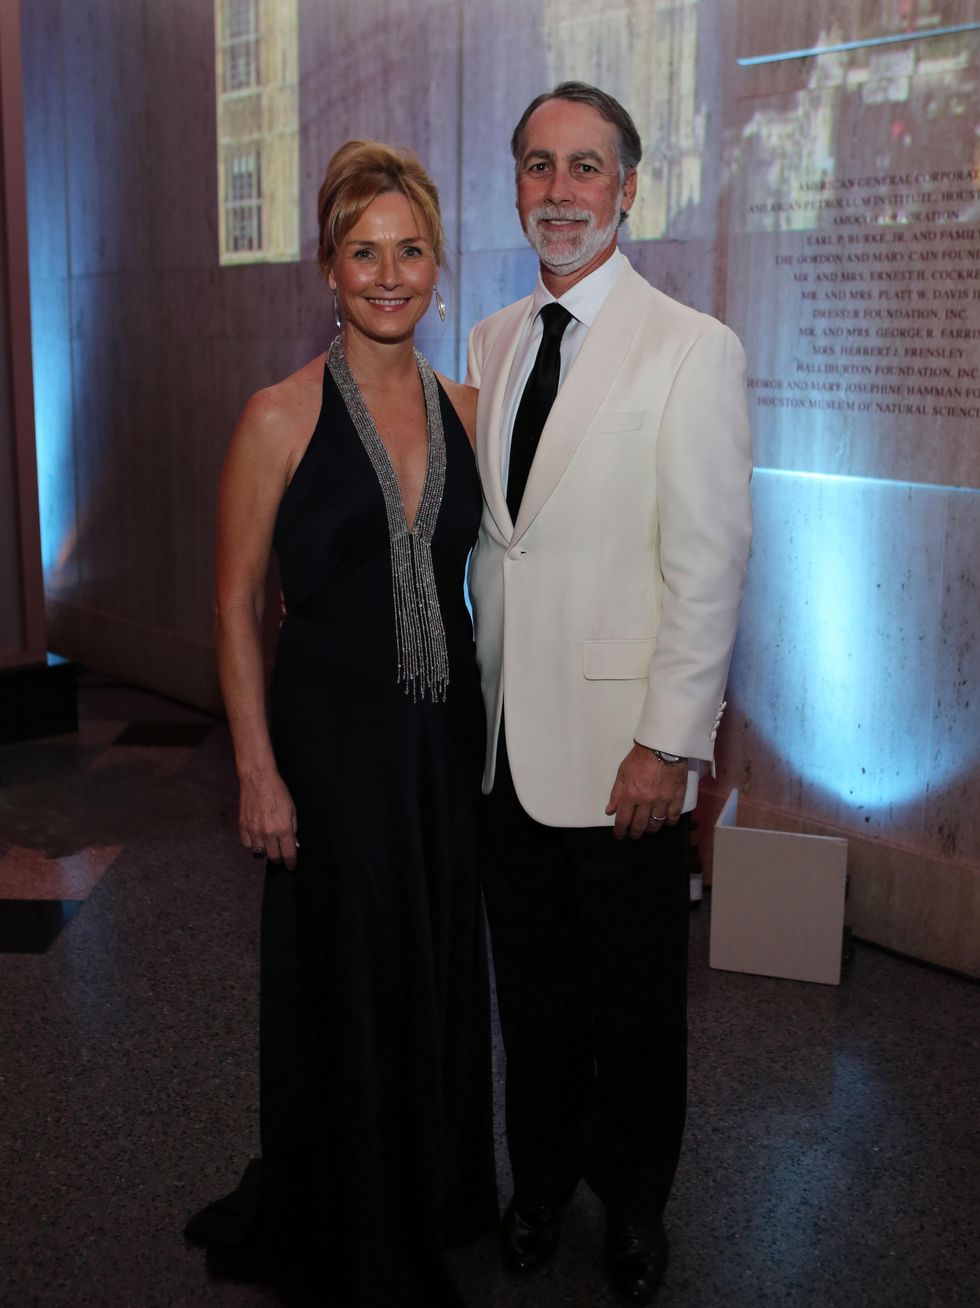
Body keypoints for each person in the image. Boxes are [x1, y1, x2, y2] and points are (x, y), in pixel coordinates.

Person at [185, 140, 497, 1307]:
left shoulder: (467, 407)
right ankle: (353, 1219)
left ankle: (428, 1188)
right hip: (326, 754)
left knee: (429, 967)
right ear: (326, 268)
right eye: (362, 252)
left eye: (408, 250)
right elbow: (230, 604)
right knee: (348, 979)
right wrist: (255, 771)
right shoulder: (275, 416)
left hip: (437, 747)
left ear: (436, 265)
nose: (386, 273)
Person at [465, 83, 753, 1303]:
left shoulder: (689, 347)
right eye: (539, 166)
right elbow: (499, 544)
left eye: (586, 168)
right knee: (529, 999)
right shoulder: (486, 338)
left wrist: (666, 746)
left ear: (627, 188)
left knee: (632, 1009)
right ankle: (536, 1186)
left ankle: (633, 1207)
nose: (559, 191)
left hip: (620, 757)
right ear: (517, 184)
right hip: (499, 751)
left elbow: (708, 563)